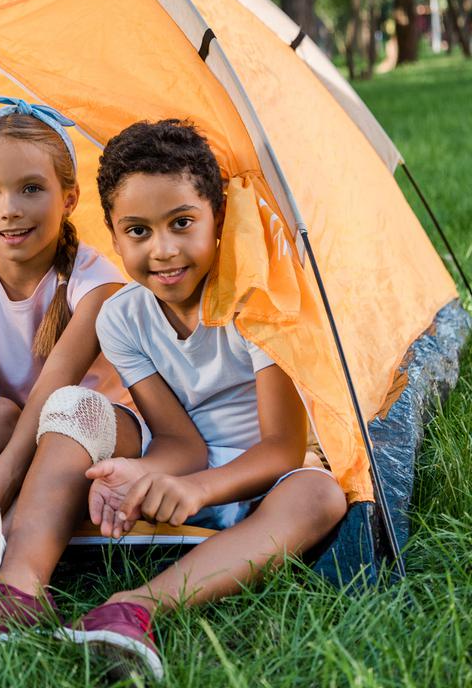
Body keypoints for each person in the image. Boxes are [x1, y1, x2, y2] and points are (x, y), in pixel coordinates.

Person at [53, 119, 347, 681]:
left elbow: (283, 447)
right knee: (82, 424)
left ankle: (136, 606)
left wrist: (194, 488)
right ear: (114, 237)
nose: (162, 250)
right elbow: (179, 438)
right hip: (193, 477)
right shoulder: (122, 317)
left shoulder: (255, 302)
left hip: (266, 472)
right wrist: (143, 477)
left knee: (321, 497)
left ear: (217, 221)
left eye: (181, 224)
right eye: (137, 231)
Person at [0, 98, 204, 643]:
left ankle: (16, 585)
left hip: (111, 427)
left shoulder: (97, 283)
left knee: (66, 407)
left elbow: (56, 390)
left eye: (31, 188)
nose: (9, 209)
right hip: (26, 429)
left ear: (68, 198)